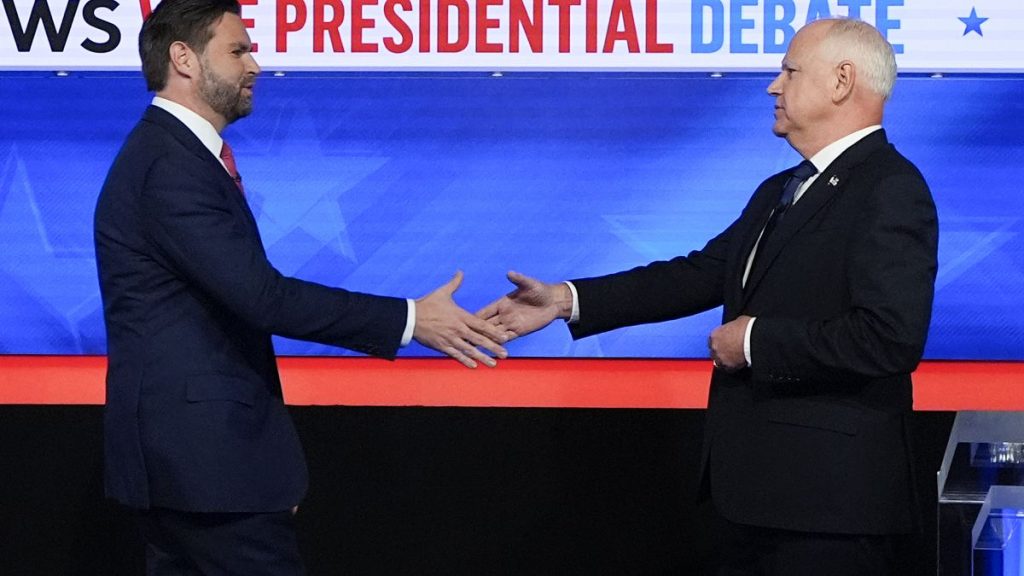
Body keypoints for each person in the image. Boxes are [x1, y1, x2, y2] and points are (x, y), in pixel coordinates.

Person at [479, 18, 938, 575]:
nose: (774, 86)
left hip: (830, 509)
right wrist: (565, 300)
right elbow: (698, 274)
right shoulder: (780, 189)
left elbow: (889, 338)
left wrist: (755, 341)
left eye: (790, 71)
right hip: (756, 501)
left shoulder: (890, 189)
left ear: (842, 81)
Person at [93, 0, 507, 573]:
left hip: (196, 467)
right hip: (207, 468)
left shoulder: (175, 156)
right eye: (237, 50)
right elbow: (263, 298)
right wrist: (411, 319)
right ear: (182, 59)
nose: (255, 65)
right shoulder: (170, 166)